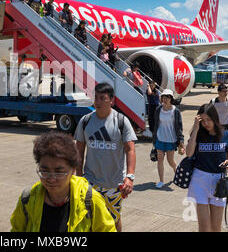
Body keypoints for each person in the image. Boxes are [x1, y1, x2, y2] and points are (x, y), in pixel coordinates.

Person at [10, 131, 116, 232]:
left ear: (73, 170)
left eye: (59, 172)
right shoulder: (28, 198)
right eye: (44, 171)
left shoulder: (91, 200)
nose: (51, 179)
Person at [75, 83, 137, 232]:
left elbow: (130, 150)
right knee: (89, 220)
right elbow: (79, 150)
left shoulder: (121, 121)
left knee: (114, 219)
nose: (98, 102)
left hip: (114, 184)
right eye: (96, 97)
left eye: (102, 98)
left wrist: (129, 177)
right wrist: (78, 177)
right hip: (90, 183)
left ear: (111, 100)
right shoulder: (85, 121)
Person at [185, 103, 228, 232]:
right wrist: (195, 129)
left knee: (216, 228)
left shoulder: (226, 135)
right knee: (204, 228)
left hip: (219, 182)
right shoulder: (198, 135)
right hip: (200, 181)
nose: (206, 123)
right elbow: (189, 153)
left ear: (215, 118)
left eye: (209, 120)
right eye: (203, 121)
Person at [151, 89, 185, 188]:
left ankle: (176, 171)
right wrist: (154, 137)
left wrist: (181, 141)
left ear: (171, 99)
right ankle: (161, 181)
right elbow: (156, 124)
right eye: (163, 98)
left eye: (167, 98)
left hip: (171, 139)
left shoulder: (176, 111)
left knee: (170, 161)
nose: (165, 100)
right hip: (160, 138)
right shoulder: (158, 110)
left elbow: (179, 127)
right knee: (160, 159)